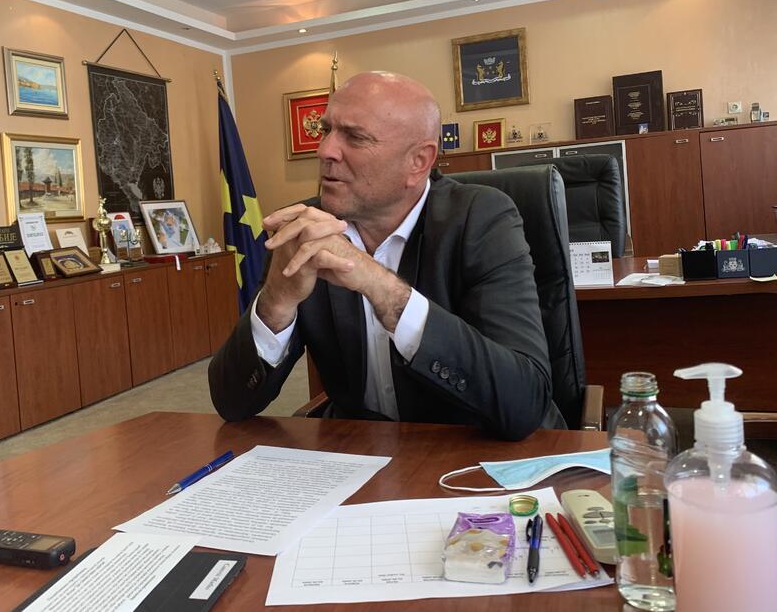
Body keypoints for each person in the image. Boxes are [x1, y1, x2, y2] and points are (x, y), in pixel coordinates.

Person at [208, 71, 560, 439]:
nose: (325, 150)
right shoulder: (307, 230)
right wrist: (276, 302)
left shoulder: (481, 219)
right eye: (326, 130)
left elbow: (523, 402)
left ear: (418, 162)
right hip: (362, 452)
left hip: (473, 447)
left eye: (355, 137)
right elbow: (231, 403)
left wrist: (382, 288)